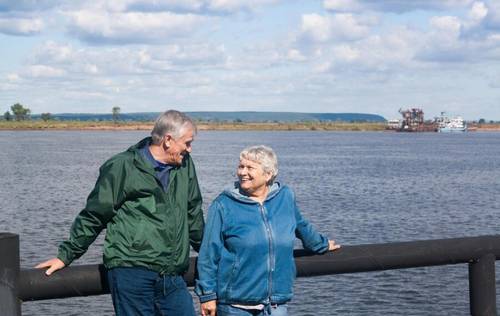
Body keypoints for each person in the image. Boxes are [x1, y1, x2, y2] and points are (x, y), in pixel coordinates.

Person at [36, 110, 204, 316]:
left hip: (172, 272)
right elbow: (95, 214)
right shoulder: (122, 166)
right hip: (132, 270)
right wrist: (66, 255)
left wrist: (209, 253)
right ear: (168, 140)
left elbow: (193, 213)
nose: (190, 149)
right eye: (187, 143)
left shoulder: (185, 165)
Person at [195, 145, 340, 316]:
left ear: (268, 174)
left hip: (276, 304)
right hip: (235, 305)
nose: (242, 172)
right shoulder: (223, 205)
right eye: (241, 166)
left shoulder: (285, 197)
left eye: (250, 168)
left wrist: (320, 244)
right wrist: (207, 296)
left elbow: (301, 226)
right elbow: (208, 253)